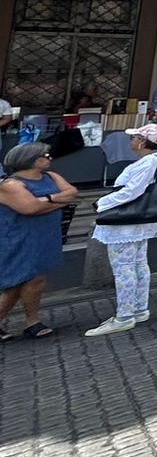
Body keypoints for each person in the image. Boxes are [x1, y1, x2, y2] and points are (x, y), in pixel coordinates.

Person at [83, 124, 157, 337]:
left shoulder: (147, 162)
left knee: (123, 268)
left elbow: (132, 190)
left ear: (141, 141)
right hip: (141, 219)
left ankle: (124, 315)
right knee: (138, 263)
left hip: (128, 221)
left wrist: (102, 202)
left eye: (134, 138)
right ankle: (138, 308)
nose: (130, 142)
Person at [0, 143, 78, 340]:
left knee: (37, 279)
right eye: (46, 155)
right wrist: (57, 201)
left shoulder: (52, 177)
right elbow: (30, 208)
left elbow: (72, 193)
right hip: (17, 237)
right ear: (31, 159)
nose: (50, 158)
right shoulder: (11, 185)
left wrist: (46, 199)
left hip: (44, 235)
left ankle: (32, 322)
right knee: (16, 282)